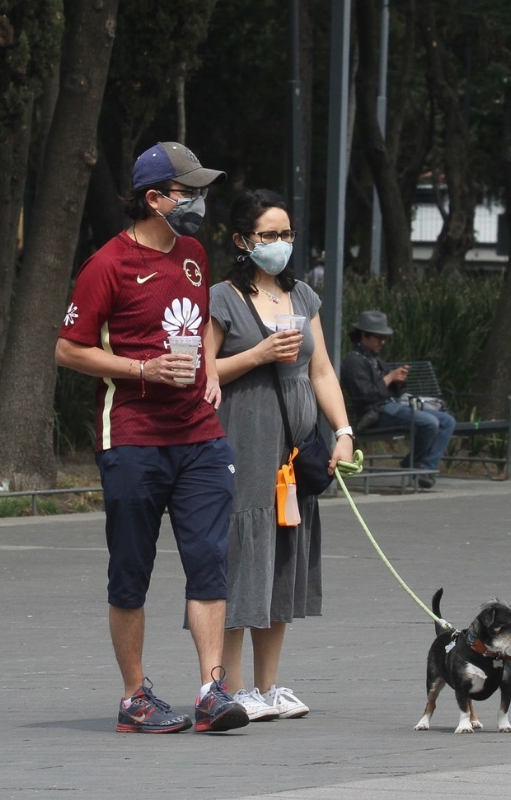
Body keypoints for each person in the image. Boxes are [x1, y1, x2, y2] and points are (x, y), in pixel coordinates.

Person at [54, 142, 248, 734]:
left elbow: (195, 332)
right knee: (131, 568)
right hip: (133, 437)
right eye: (186, 191)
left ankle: (213, 691)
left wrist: (209, 369)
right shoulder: (106, 264)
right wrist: (141, 370)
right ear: (155, 198)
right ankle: (134, 697)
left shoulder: (193, 255)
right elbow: (68, 349)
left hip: (199, 435)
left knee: (210, 560)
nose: (198, 201)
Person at [207, 189, 353, 723]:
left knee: (284, 554)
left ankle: (269, 686)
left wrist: (343, 430)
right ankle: (234, 685)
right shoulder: (222, 298)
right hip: (243, 443)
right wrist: (258, 354)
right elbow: (204, 374)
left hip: (295, 451)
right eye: (269, 235)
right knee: (243, 556)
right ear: (243, 240)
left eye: (286, 234)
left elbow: (322, 372)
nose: (280, 244)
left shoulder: (303, 297)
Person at [339, 311, 455, 489]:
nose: (382, 342)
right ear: (364, 335)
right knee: (430, 423)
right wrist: (389, 378)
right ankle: (417, 467)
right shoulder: (353, 362)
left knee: (447, 421)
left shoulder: (374, 359)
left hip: (391, 407)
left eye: (384, 338)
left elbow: (393, 391)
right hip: (372, 413)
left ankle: (424, 468)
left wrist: (399, 381)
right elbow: (365, 396)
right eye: (378, 337)